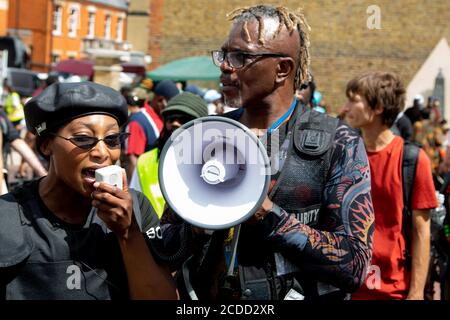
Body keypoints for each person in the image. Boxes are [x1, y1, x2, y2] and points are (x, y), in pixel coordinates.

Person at [160, 4, 374, 300]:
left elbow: (355, 265)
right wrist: (196, 228)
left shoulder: (338, 142)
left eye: (240, 56)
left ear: (282, 69)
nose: (224, 65)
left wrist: (267, 215)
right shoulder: (204, 136)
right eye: (224, 54)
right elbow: (164, 249)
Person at [0, 81, 177, 300]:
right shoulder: (6, 216)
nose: (102, 152)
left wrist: (127, 233)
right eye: (83, 139)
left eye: (112, 140)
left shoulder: (135, 208)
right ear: (46, 145)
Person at [342, 71, 437, 300]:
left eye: (354, 100)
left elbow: (421, 232)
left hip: (395, 290)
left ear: (378, 107)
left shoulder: (412, 160)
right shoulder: (342, 154)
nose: (346, 108)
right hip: (347, 288)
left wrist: (415, 294)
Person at [130, 92, 209, 218]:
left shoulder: (211, 163)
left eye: (184, 119)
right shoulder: (145, 161)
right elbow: (135, 206)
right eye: (171, 118)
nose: (175, 123)